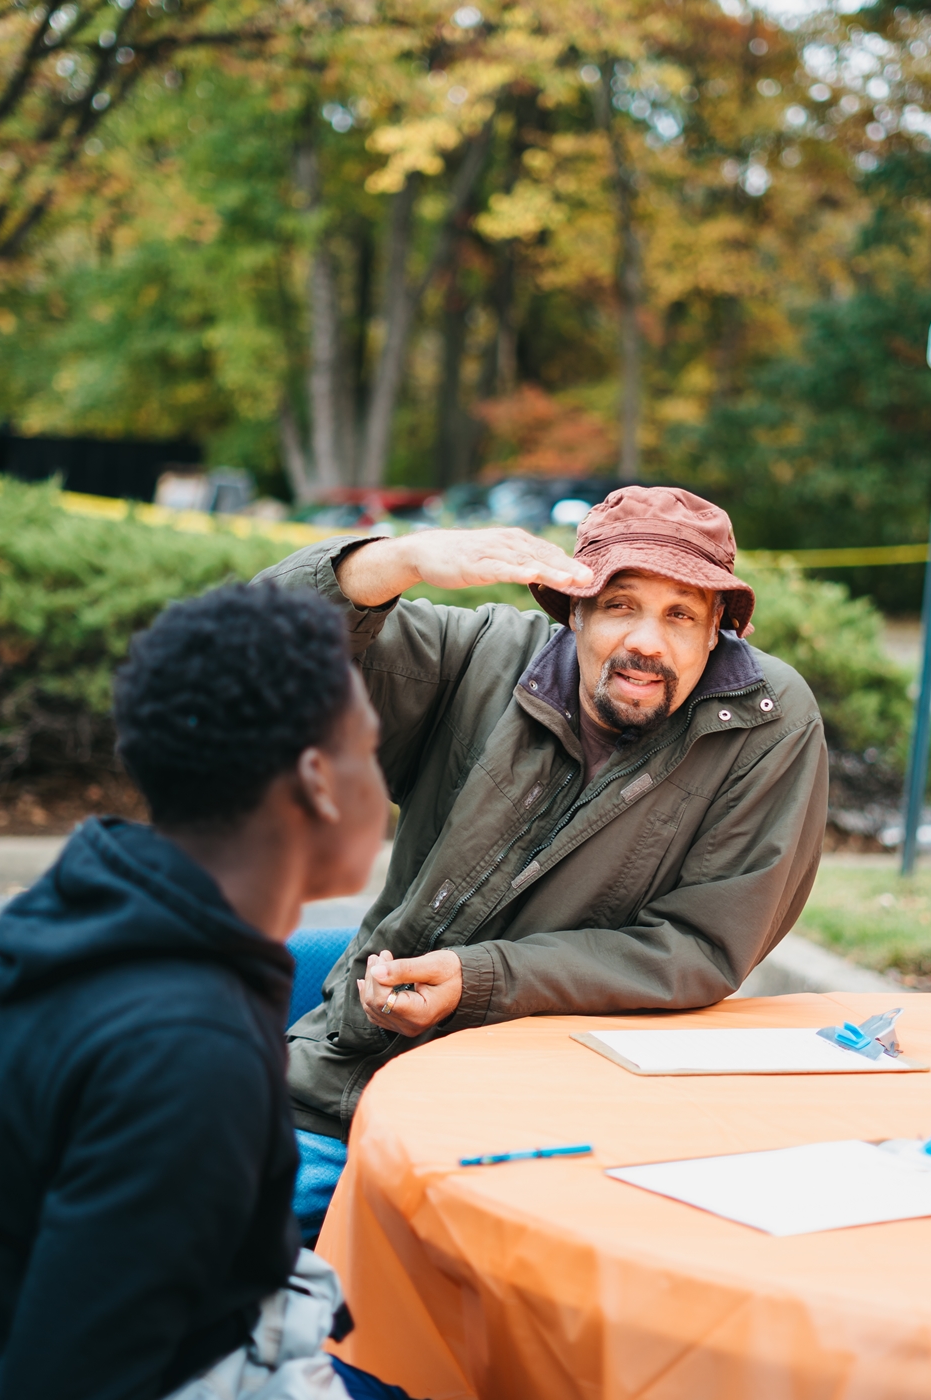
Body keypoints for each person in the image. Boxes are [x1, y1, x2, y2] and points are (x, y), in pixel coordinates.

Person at [0, 583, 636, 1400]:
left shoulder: (122, 919)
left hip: (201, 1374)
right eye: (371, 752)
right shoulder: (178, 1050)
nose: (386, 784)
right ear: (319, 782)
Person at [259, 485, 828, 1220]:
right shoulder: (482, 656)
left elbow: (699, 947)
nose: (647, 643)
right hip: (347, 1096)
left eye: (681, 614)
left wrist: (484, 980)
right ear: (573, 609)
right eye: (620, 604)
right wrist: (401, 558)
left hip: (559, 1133)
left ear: (718, 627)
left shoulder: (766, 723)